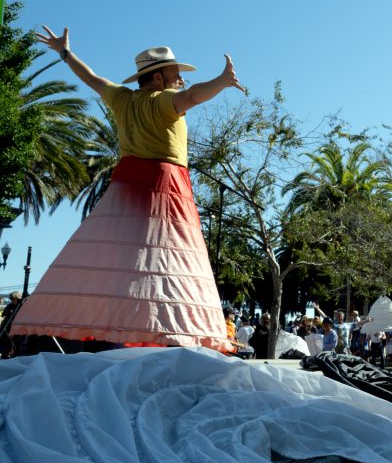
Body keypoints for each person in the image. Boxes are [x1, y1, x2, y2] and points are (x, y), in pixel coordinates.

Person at [13, 29, 245, 351]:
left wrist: (65, 53)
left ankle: (117, 331)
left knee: (124, 259)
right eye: (177, 76)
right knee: (167, 259)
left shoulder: (121, 99)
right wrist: (222, 81)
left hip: (125, 184)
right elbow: (192, 97)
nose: (181, 81)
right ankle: (160, 338)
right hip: (164, 183)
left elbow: (92, 78)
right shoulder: (163, 101)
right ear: (160, 77)